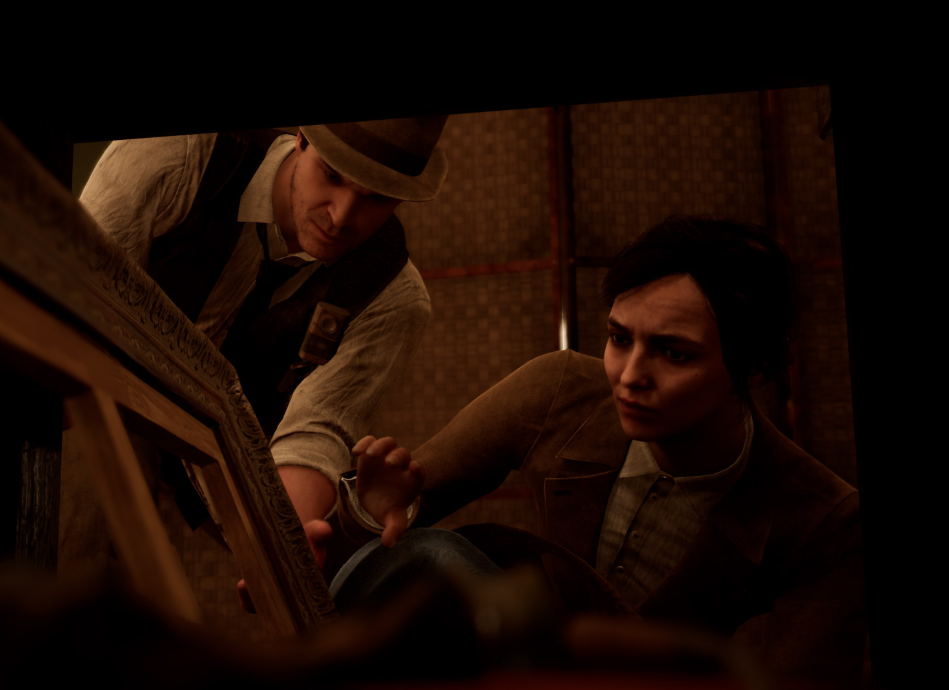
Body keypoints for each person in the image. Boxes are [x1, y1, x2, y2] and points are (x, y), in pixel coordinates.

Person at [333, 216, 866, 680]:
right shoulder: (559, 391)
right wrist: (370, 511)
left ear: (752, 367)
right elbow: (388, 524)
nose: (630, 376)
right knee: (434, 556)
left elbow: (802, 681)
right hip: (512, 663)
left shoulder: (823, 517)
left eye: (674, 354)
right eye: (619, 338)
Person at [80, 117, 448, 575]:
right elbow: (79, 293)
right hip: (102, 391)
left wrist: (284, 552)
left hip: (239, 468)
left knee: (341, 575)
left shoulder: (392, 296)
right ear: (302, 138)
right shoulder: (179, 150)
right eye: (332, 175)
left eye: (377, 198)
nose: (340, 216)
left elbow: (316, 432)